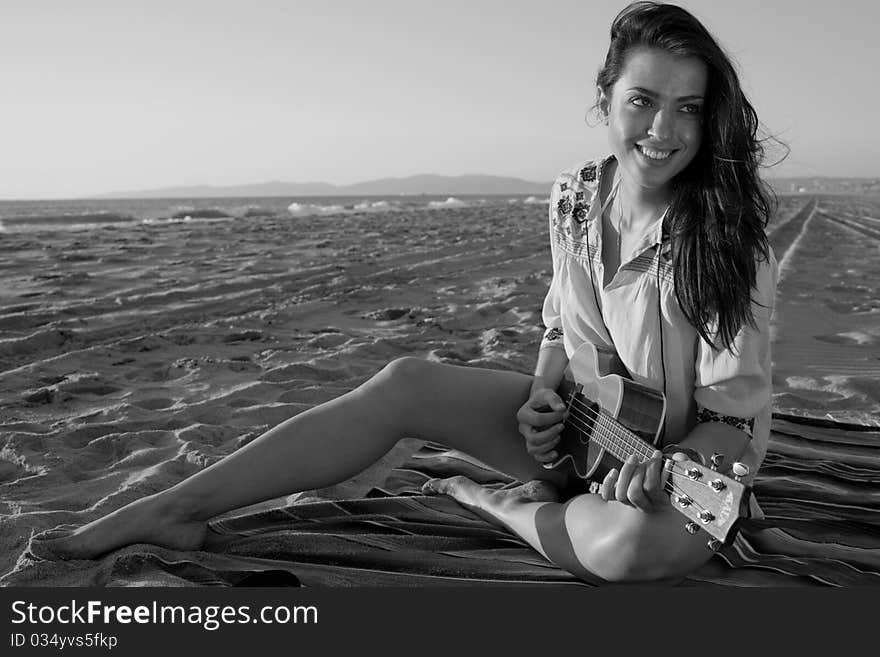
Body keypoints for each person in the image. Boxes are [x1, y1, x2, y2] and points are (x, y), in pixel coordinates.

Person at [37, 1, 779, 583]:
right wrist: (541, 398)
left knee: (627, 548)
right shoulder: (576, 198)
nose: (662, 130)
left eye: (688, 108)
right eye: (642, 101)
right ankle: (174, 507)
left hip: (677, 468)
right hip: (583, 428)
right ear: (606, 98)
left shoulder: (726, 238)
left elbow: (729, 425)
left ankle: (496, 500)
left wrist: (664, 469)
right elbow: (560, 328)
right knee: (404, 382)